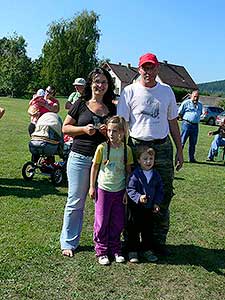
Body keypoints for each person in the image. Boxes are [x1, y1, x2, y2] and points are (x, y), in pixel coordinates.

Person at [117, 52, 183, 256]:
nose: (148, 71)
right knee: (132, 193)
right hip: (136, 146)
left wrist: (180, 150)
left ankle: (157, 241)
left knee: (163, 194)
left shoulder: (167, 91)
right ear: (139, 69)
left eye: (152, 67)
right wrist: (121, 151)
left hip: (162, 147)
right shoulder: (129, 91)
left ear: (157, 69)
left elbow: (173, 122)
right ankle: (131, 242)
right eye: (145, 67)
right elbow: (122, 124)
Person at [60, 67, 116, 257]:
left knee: (104, 204)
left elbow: (119, 135)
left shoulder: (112, 109)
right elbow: (65, 128)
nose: (100, 85)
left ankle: (103, 241)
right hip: (79, 159)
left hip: (105, 162)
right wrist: (84, 129)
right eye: (97, 81)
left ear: (108, 86)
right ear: (91, 84)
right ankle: (68, 242)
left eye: (104, 82)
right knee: (75, 201)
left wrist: (106, 132)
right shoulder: (80, 104)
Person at [89, 116, 133, 265]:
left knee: (117, 221)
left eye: (115, 131)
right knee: (101, 221)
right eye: (109, 130)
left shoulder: (127, 150)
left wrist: (127, 191)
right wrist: (92, 186)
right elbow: (94, 167)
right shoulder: (102, 148)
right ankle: (101, 250)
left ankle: (115, 249)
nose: (111, 134)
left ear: (122, 132)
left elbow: (128, 172)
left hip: (120, 191)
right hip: (103, 190)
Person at [126, 146, 163, 263]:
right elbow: (130, 188)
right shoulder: (135, 174)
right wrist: (138, 197)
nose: (148, 161)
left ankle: (147, 250)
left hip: (149, 209)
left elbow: (160, 190)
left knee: (148, 230)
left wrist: (156, 203)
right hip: (136, 209)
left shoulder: (156, 175)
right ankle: (133, 251)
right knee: (133, 230)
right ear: (138, 160)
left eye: (151, 159)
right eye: (145, 159)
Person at [178, 90, 203, 163]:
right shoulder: (186, 103)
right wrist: (184, 119)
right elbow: (180, 112)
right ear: (191, 96)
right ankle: (178, 157)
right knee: (182, 142)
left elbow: (200, 113)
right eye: (195, 96)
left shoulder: (200, 105)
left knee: (193, 143)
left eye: (197, 97)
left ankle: (191, 158)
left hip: (195, 126)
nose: (196, 98)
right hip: (186, 124)